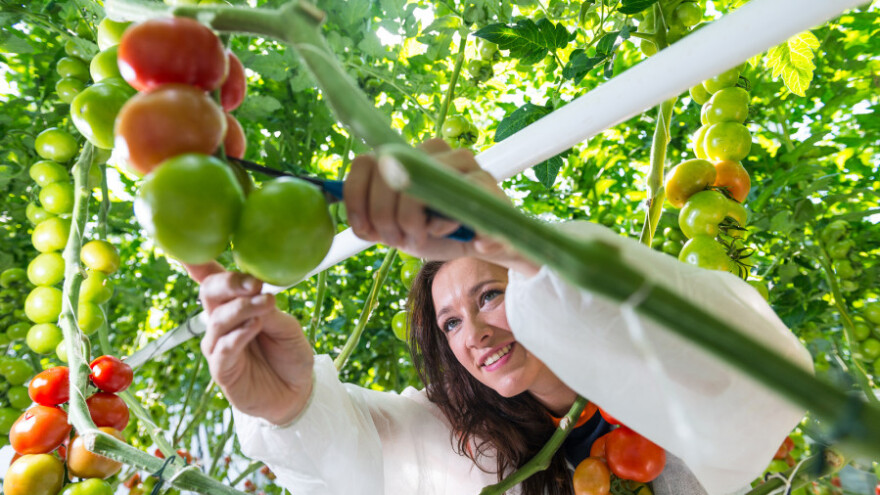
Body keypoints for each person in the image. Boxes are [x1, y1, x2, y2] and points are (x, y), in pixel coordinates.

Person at [185, 140, 813, 495]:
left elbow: (758, 383)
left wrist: (518, 242)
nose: (475, 334)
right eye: (450, 324)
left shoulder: (642, 377)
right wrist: (291, 409)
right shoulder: (458, 433)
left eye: (488, 295)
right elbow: (363, 455)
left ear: (539, 288)